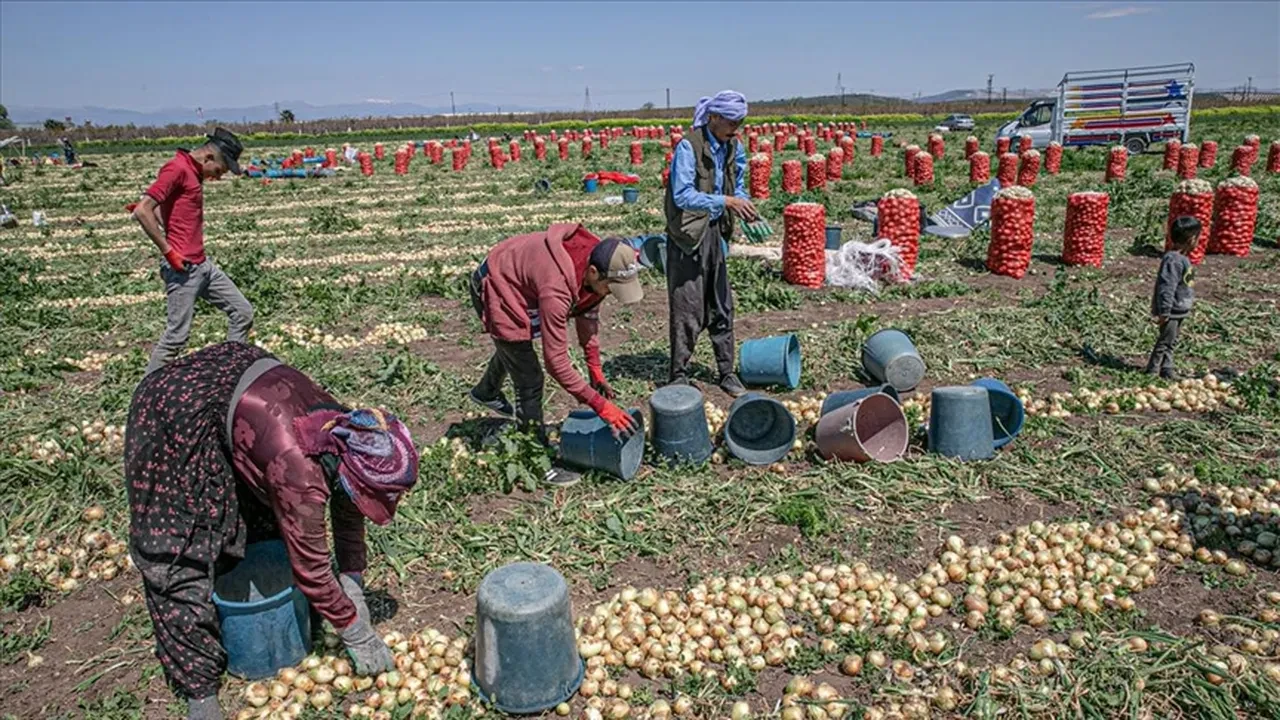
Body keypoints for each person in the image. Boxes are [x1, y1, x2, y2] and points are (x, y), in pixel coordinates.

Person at [125, 342, 420, 720]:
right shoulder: (300, 466)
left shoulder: (350, 433)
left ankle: (266, 597)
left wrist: (353, 579)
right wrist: (356, 632)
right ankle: (199, 686)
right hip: (175, 410)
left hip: (237, 392)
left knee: (263, 519)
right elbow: (312, 569)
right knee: (179, 545)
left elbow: (349, 512)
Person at [468, 224, 642, 485]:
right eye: (611, 287)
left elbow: (588, 309)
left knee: (515, 351)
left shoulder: (598, 259)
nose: (611, 294)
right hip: (497, 283)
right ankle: (534, 458)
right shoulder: (557, 287)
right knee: (529, 376)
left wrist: (594, 368)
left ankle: (486, 391)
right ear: (593, 272)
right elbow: (556, 363)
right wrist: (600, 406)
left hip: (520, 273)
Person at [134, 128, 254, 375]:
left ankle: (229, 375)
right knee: (176, 337)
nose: (217, 178)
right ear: (208, 158)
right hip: (183, 269)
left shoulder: (191, 172)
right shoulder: (177, 168)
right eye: (219, 171)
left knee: (242, 312)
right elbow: (142, 210)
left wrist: (160, 217)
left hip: (203, 265)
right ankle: (145, 395)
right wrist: (169, 252)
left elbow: (161, 211)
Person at [663, 90, 759, 397]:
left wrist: (742, 204)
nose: (737, 128)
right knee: (687, 304)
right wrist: (726, 200)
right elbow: (682, 195)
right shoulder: (688, 147)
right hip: (688, 234)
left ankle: (726, 372)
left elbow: (739, 184)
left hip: (717, 230)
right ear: (713, 118)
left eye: (741, 122)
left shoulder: (734, 147)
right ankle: (679, 373)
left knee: (721, 303)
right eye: (732, 122)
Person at [1146, 216, 1199, 380]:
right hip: (1172, 310)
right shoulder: (1173, 260)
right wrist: (1165, 311)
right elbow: (1166, 287)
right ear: (1191, 239)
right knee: (1165, 341)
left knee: (1171, 340)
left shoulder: (1182, 259)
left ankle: (1167, 368)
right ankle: (1152, 371)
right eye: (1198, 238)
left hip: (1179, 309)